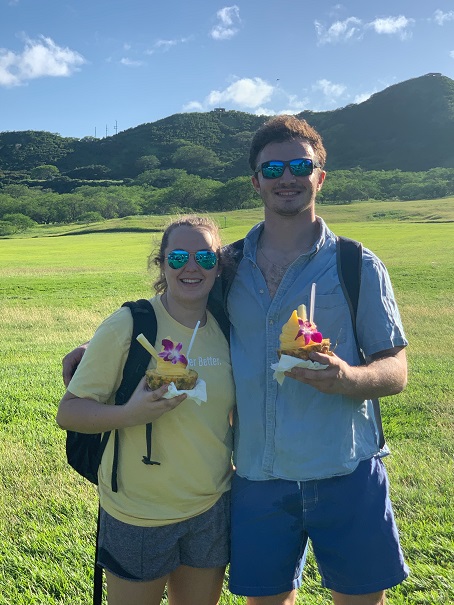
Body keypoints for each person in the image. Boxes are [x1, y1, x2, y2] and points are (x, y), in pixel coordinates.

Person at [63, 116, 409, 605]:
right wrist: (98, 353)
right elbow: (180, 312)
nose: (286, 177)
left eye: (299, 166)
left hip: (345, 468)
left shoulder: (357, 265)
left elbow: (397, 368)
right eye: (273, 168)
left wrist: (350, 376)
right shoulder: (227, 266)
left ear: (320, 177)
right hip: (257, 477)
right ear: (256, 181)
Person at [57, 215, 235, 605]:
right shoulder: (129, 324)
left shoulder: (228, 327)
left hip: (211, 506)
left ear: (218, 265)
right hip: (137, 513)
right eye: (178, 258)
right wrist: (129, 415)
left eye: (205, 258)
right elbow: (69, 412)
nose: (192, 267)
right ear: (161, 263)